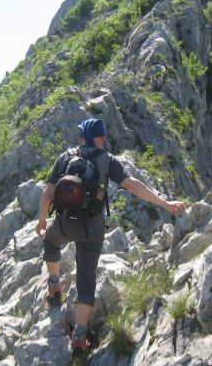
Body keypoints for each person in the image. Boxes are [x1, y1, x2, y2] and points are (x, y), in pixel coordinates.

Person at [35, 118, 186, 349]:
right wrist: (165, 204)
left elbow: (48, 195)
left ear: (82, 137)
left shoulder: (65, 158)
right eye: (102, 136)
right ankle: (79, 335)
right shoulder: (108, 160)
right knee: (86, 279)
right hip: (92, 229)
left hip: (65, 224)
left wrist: (42, 221)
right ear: (101, 138)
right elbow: (134, 186)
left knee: (51, 240)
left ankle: (54, 283)